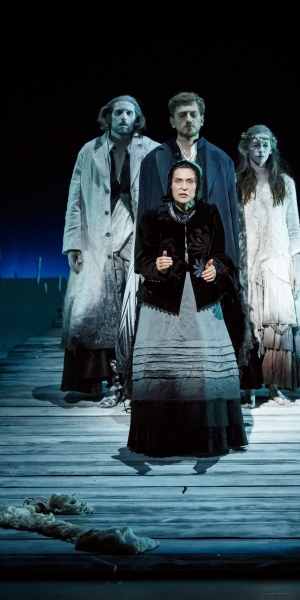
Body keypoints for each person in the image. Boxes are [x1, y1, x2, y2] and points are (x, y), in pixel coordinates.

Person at [128, 160, 248, 457]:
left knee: (202, 371)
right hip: (162, 305)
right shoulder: (152, 216)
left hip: (202, 303)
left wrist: (215, 269)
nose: (184, 187)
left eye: (190, 181)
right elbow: (141, 261)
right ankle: (164, 441)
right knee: (165, 372)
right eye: (178, 181)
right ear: (170, 185)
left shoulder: (210, 213)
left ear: (198, 185)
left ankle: (204, 438)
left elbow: (223, 255)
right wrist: (156, 266)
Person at [61, 96, 160, 396]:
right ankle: (96, 378)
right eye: (118, 112)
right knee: (94, 306)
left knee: (136, 303)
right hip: (96, 237)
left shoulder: (152, 150)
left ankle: (134, 378)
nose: (123, 118)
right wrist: (73, 243)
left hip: (136, 234)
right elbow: (75, 200)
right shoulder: (89, 151)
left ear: (137, 118)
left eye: (129, 113)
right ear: (108, 116)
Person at [236, 125, 300, 406]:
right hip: (248, 262)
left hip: (277, 262)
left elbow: (293, 227)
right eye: (255, 144)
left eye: (265, 145)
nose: (260, 150)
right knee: (250, 322)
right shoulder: (237, 182)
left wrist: (295, 265)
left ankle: (275, 387)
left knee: (276, 326)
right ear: (246, 148)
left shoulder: (285, 183)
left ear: (271, 148)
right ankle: (249, 390)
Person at [138, 92, 241, 265]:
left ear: (202, 120)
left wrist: (231, 265)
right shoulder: (152, 160)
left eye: (193, 114)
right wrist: (144, 264)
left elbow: (230, 216)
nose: (188, 119)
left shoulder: (222, 161)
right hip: (167, 260)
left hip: (209, 262)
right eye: (182, 115)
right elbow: (144, 212)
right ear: (172, 121)